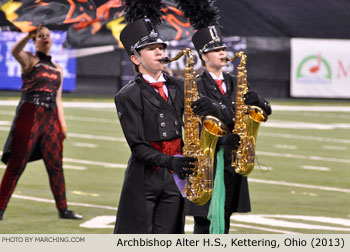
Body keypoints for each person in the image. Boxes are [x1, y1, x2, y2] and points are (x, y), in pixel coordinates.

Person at [185, 25, 272, 234]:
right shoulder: (195, 85)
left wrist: (258, 101)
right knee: (204, 221)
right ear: (203, 56)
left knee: (225, 217)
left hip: (233, 161)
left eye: (223, 49)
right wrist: (222, 139)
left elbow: (266, 111)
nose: (223, 53)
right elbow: (192, 125)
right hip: (208, 162)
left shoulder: (236, 82)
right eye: (216, 50)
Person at [0, 26, 82, 221]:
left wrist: (63, 126)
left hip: (51, 117)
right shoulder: (30, 60)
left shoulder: (58, 69)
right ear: (35, 41)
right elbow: (14, 51)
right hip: (30, 112)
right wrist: (27, 34)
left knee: (56, 166)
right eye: (40, 36)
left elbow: (59, 99)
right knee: (16, 165)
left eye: (47, 36)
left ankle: (63, 210)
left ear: (52, 41)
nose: (45, 38)